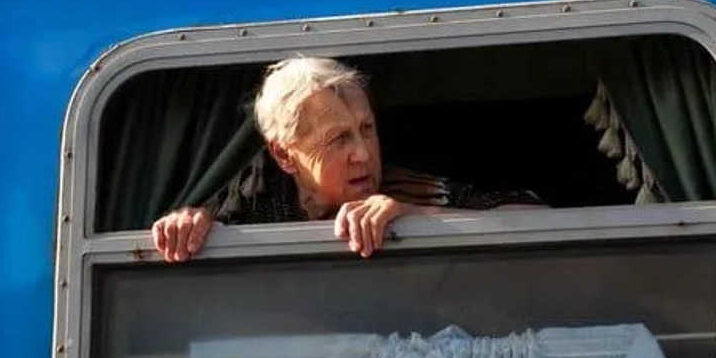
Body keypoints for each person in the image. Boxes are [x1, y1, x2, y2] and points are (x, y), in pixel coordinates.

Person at [151, 56, 541, 261]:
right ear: (285, 155)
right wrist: (188, 226)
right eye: (339, 138)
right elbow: (195, 228)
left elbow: (534, 218)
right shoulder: (249, 198)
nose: (363, 153)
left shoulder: (405, 191)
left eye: (366, 129)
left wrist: (411, 216)